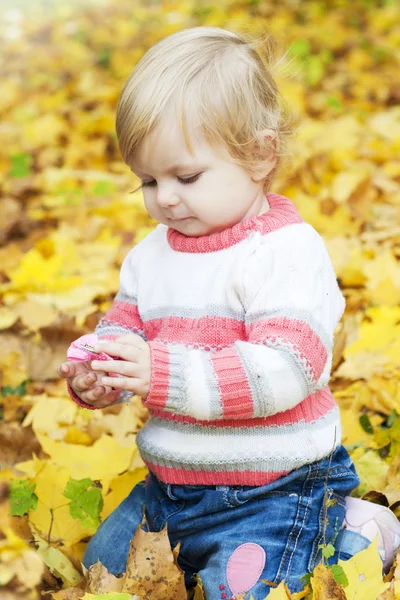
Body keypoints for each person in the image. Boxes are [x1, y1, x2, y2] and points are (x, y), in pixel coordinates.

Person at [57, 26, 400, 598]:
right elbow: (127, 328)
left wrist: (159, 372)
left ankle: (355, 535)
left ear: (260, 155)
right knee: (106, 574)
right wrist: (104, 371)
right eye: (147, 180)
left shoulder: (284, 252)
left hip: (275, 486)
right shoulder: (151, 254)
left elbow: (287, 368)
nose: (164, 198)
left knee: (243, 591)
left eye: (185, 177)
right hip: (169, 488)